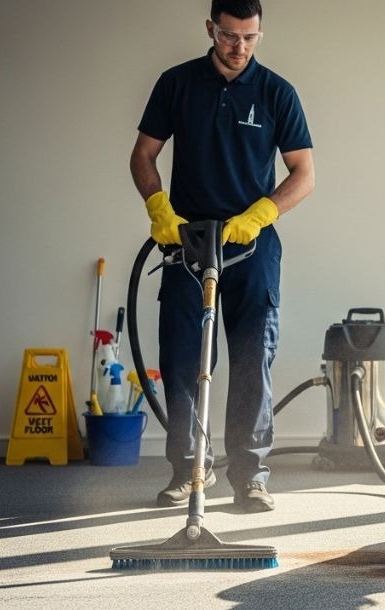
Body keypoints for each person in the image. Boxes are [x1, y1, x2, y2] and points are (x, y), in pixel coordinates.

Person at [129, 0, 315, 512]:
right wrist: (158, 208)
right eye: (230, 36)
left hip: (251, 247)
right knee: (184, 357)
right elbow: (143, 154)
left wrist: (260, 214)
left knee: (254, 358)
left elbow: (304, 173)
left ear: (260, 33)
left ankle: (250, 476)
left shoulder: (277, 92)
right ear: (211, 29)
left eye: (250, 37)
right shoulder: (177, 83)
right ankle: (190, 470)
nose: (239, 48)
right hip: (187, 243)